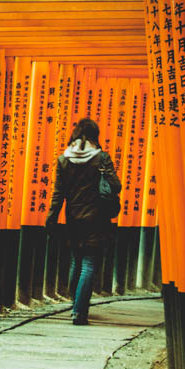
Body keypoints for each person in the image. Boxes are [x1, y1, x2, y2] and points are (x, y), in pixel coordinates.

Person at [44, 117, 119, 325]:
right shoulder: (102, 159)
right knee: (89, 263)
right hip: (97, 217)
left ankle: (75, 303)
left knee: (77, 260)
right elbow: (116, 185)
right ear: (95, 136)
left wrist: (51, 218)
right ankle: (79, 311)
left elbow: (58, 194)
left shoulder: (63, 160)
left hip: (73, 217)